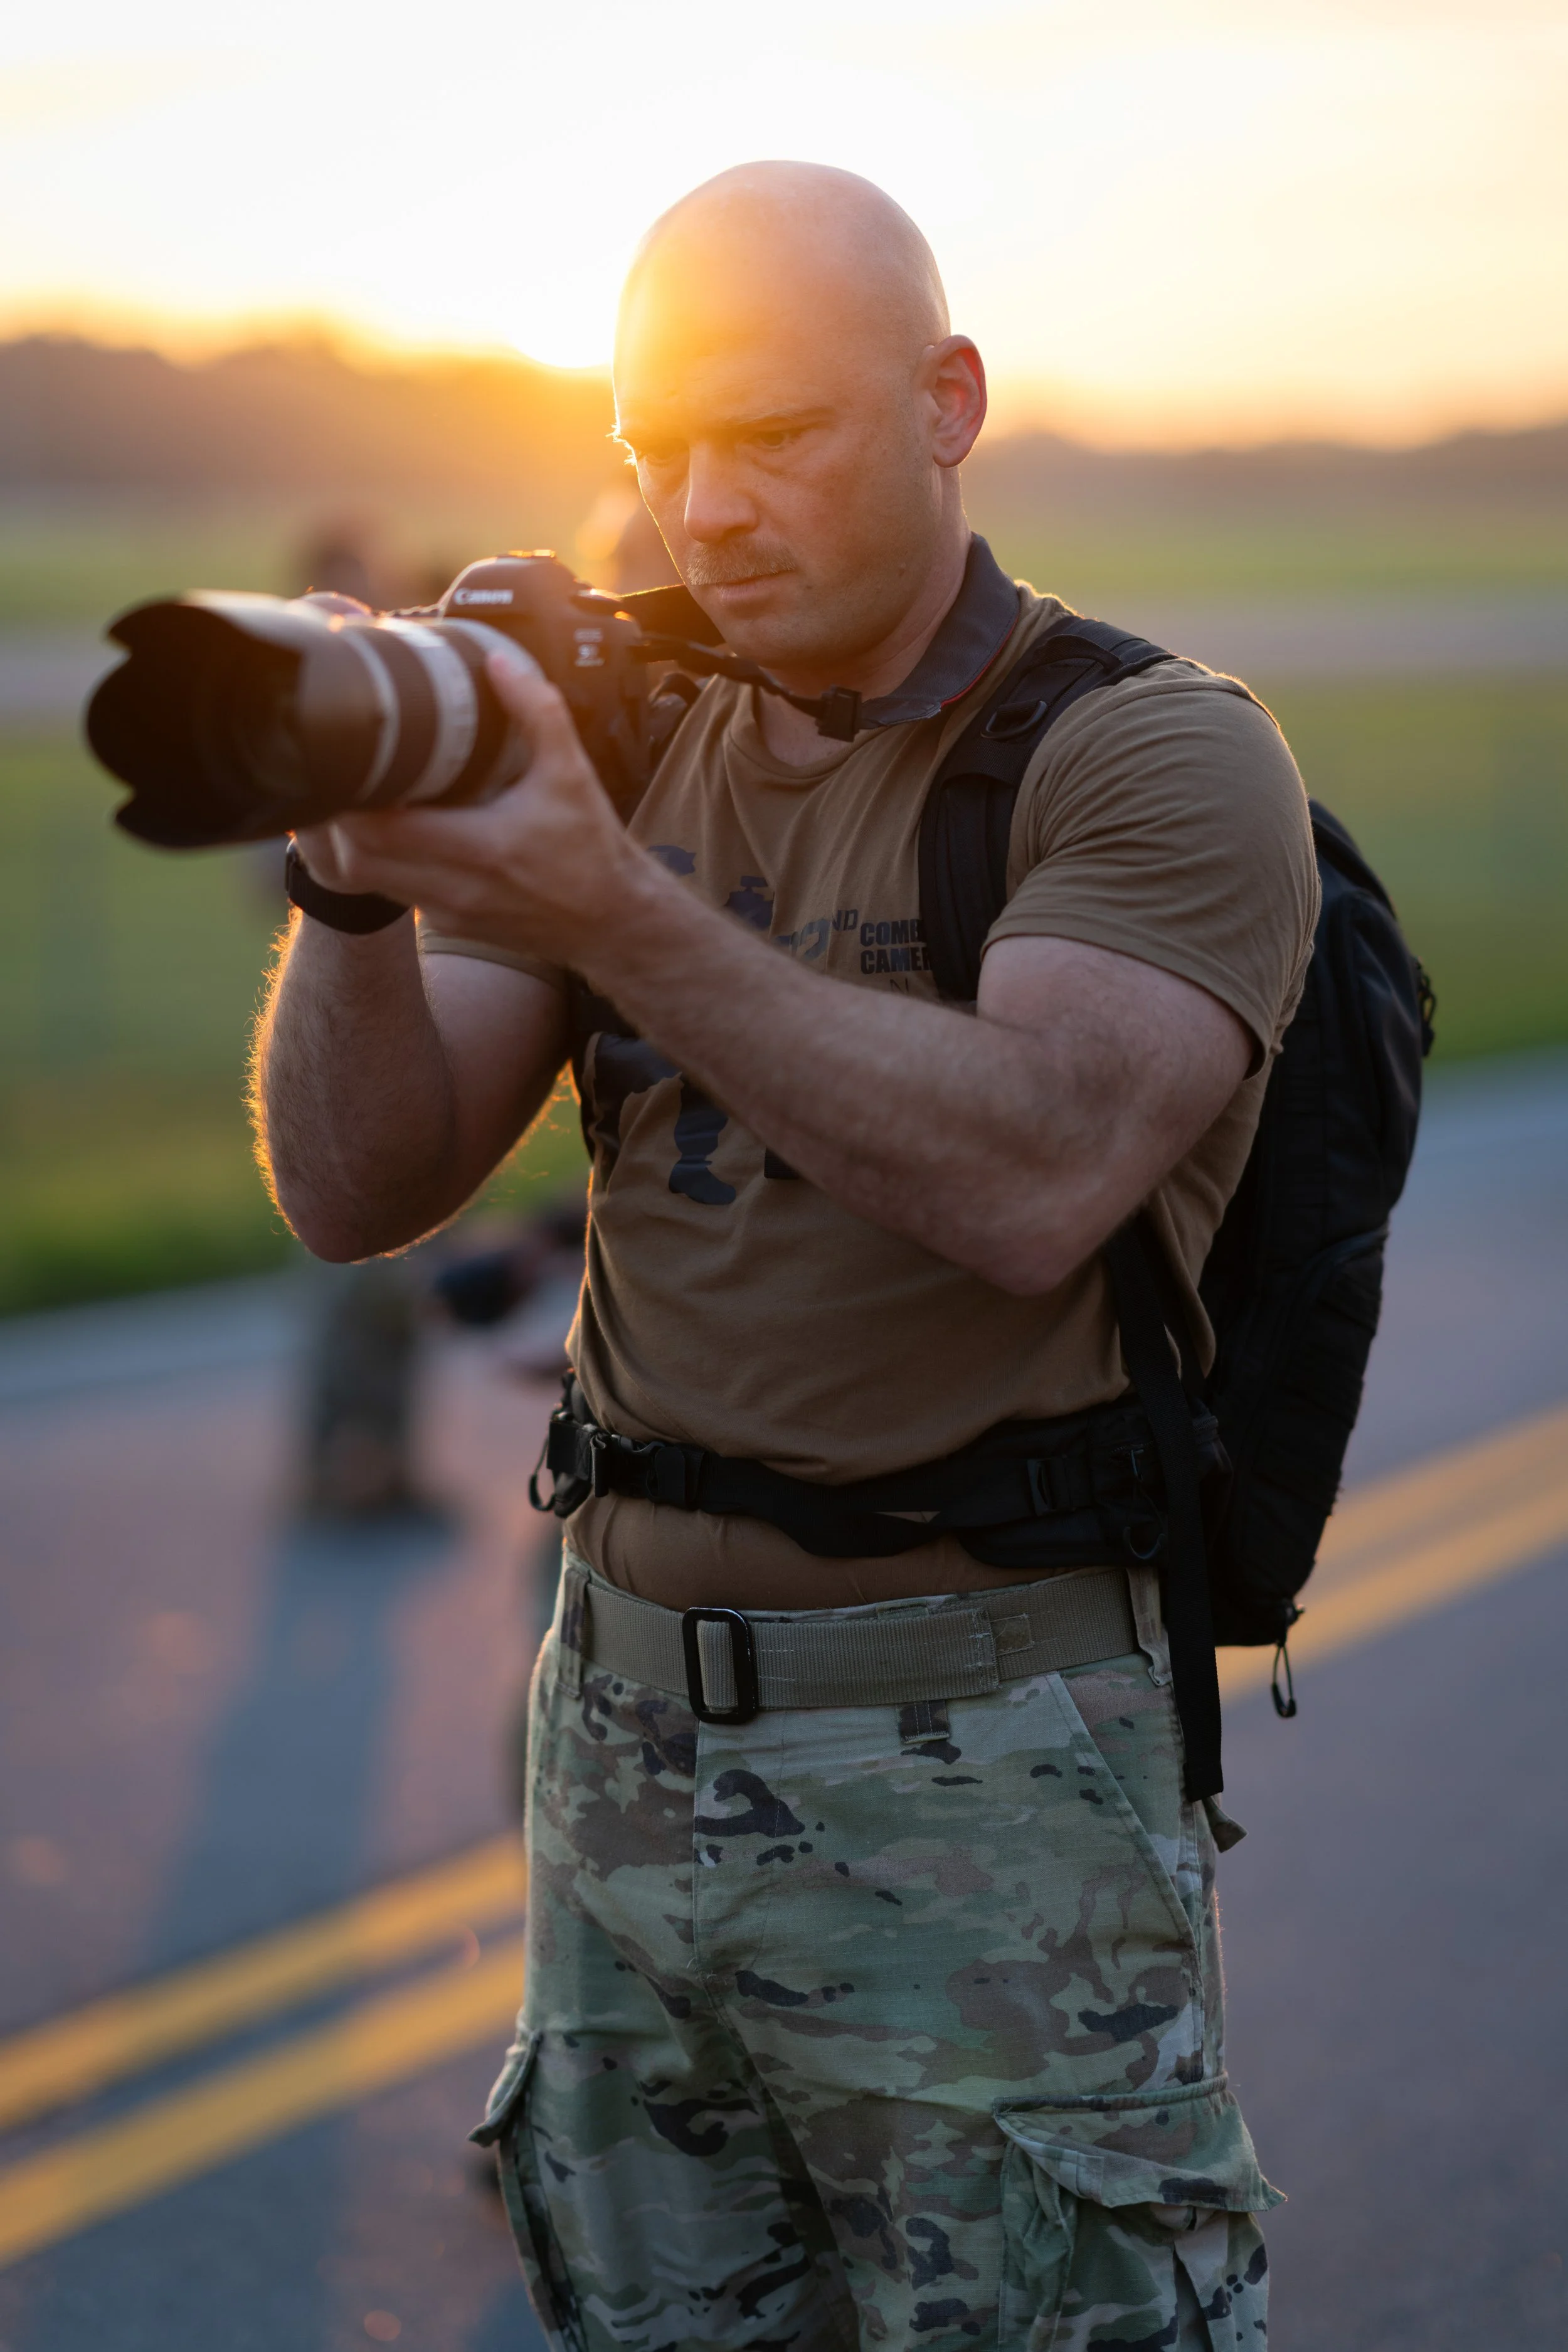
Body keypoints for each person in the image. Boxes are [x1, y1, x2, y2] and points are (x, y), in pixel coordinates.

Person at [254, 162, 1318, 2351]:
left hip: (987, 1764)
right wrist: (352, 890)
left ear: (947, 401)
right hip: (619, 1749)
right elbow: (358, 1188)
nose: (703, 509)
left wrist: (609, 902)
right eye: (659, 447)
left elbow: (1031, 1175)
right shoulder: (634, 742)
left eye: (775, 434)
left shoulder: (1150, 755)